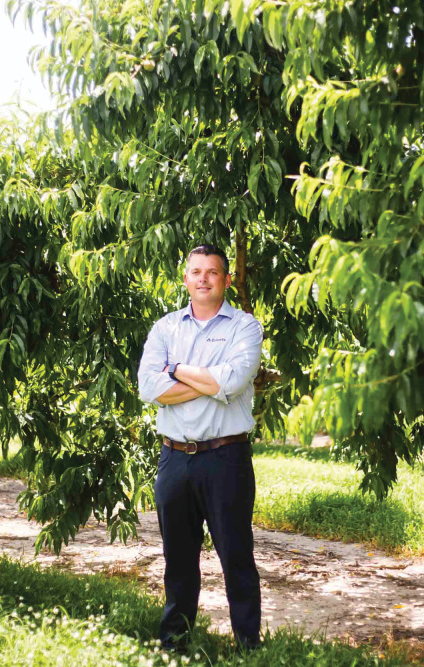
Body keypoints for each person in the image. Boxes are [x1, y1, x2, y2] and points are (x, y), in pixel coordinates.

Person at [137, 243, 264, 651]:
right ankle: (174, 644)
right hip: (174, 460)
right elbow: (148, 387)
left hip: (226, 459)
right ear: (186, 278)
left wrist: (175, 370)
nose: (204, 278)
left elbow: (235, 380)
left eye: (212, 272)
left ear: (226, 279)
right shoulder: (165, 328)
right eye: (197, 271)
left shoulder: (245, 327)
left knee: (236, 557)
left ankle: (248, 645)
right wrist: (210, 382)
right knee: (177, 560)